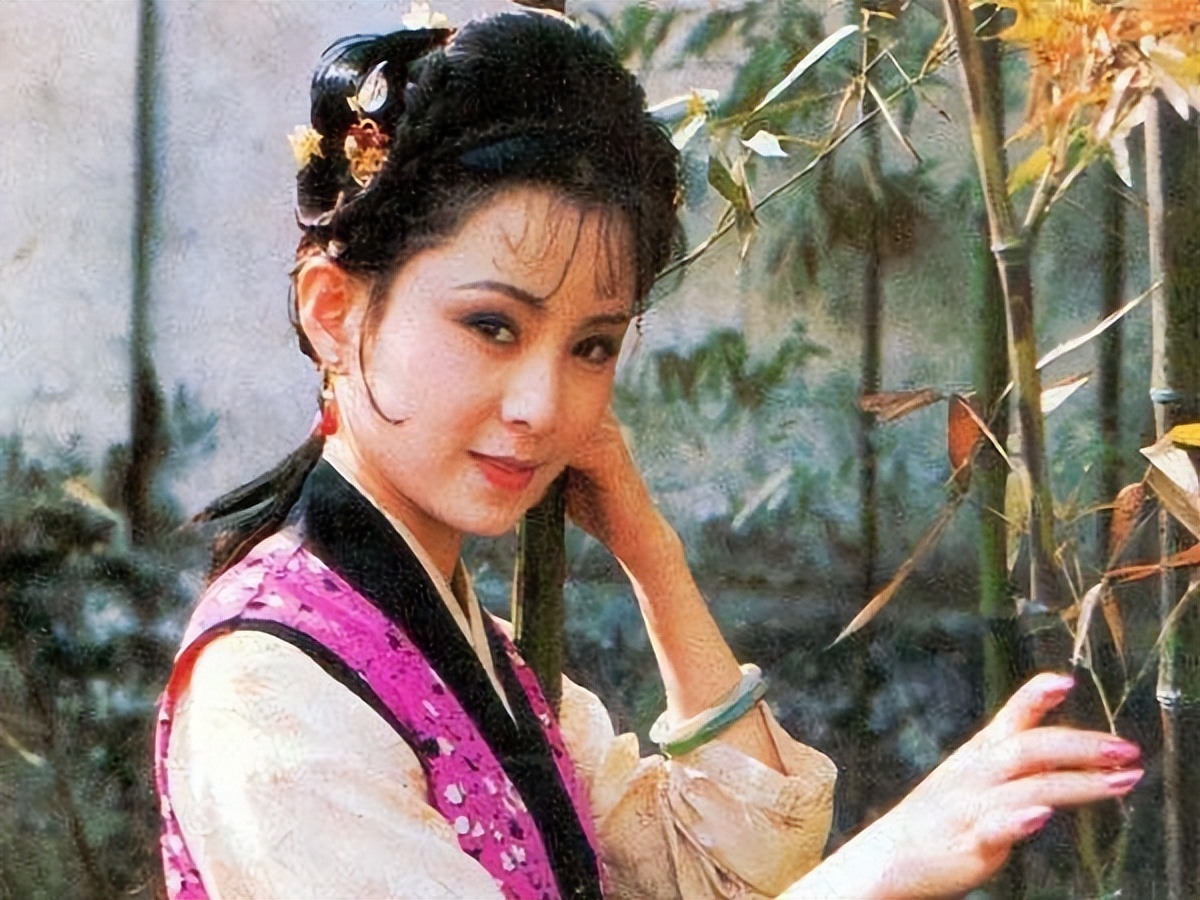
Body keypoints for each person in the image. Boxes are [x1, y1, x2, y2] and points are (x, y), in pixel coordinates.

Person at [154, 9, 1143, 899]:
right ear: (334, 311)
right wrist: (880, 871)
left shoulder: (454, 634)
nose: (543, 406)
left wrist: (649, 550)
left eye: (591, 347)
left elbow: (726, 870)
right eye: (492, 327)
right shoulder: (269, 692)